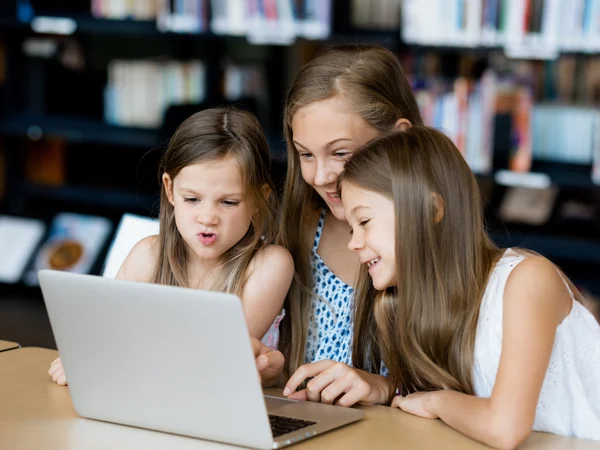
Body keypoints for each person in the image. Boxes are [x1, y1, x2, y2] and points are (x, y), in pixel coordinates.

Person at [284, 127, 600, 447]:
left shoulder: (527, 281)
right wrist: (385, 388)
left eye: (364, 222)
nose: (353, 243)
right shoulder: (408, 303)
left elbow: (505, 428)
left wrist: (436, 401)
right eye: (351, 228)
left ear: (431, 210)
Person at [49, 106, 294, 386]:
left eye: (228, 202)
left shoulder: (270, 264)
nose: (207, 218)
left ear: (258, 198)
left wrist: (116, 352)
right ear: (169, 189)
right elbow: (104, 331)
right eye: (192, 199)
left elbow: (216, 354)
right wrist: (84, 357)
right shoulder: (147, 255)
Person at [274, 43, 424, 382]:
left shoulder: (432, 240)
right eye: (306, 155)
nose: (319, 176)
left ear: (399, 138)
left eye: (340, 153)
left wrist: (385, 389)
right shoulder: (296, 233)